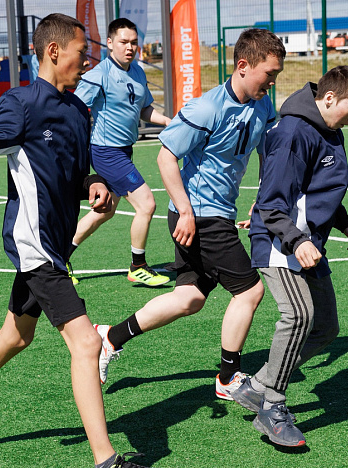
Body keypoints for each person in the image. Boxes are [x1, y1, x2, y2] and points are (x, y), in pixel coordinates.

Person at [0, 14, 165, 468]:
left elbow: (77, 172)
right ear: (54, 52)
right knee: (87, 345)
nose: (86, 61)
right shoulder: (22, 104)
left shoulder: (77, 110)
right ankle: (107, 467)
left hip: (54, 244)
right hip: (34, 247)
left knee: (16, 335)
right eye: (81, 52)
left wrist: (94, 182)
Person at [94, 29, 286, 400]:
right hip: (199, 216)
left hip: (217, 213)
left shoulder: (262, 104)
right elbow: (165, 157)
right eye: (269, 74)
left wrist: (262, 198)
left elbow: (267, 152)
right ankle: (228, 378)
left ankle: (110, 336)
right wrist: (185, 210)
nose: (272, 82)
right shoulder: (206, 108)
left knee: (190, 298)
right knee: (250, 291)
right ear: (244, 66)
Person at [229, 66, 348, 447]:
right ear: (329, 99)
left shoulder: (330, 131)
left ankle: (257, 386)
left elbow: (320, 187)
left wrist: (345, 223)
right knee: (298, 315)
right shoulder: (293, 132)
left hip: (308, 242)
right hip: (279, 239)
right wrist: (295, 240)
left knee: (325, 327)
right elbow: (272, 203)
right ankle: (272, 407)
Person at [66, 18, 172, 287]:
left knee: (105, 211)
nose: (130, 47)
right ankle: (138, 266)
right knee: (147, 204)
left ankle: (59, 256)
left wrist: (170, 122)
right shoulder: (98, 75)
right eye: (124, 42)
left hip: (124, 150)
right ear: (110, 43)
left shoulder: (137, 72)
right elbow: (74, 109)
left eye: (134, 42)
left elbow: (144, 110)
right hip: (106, 152)